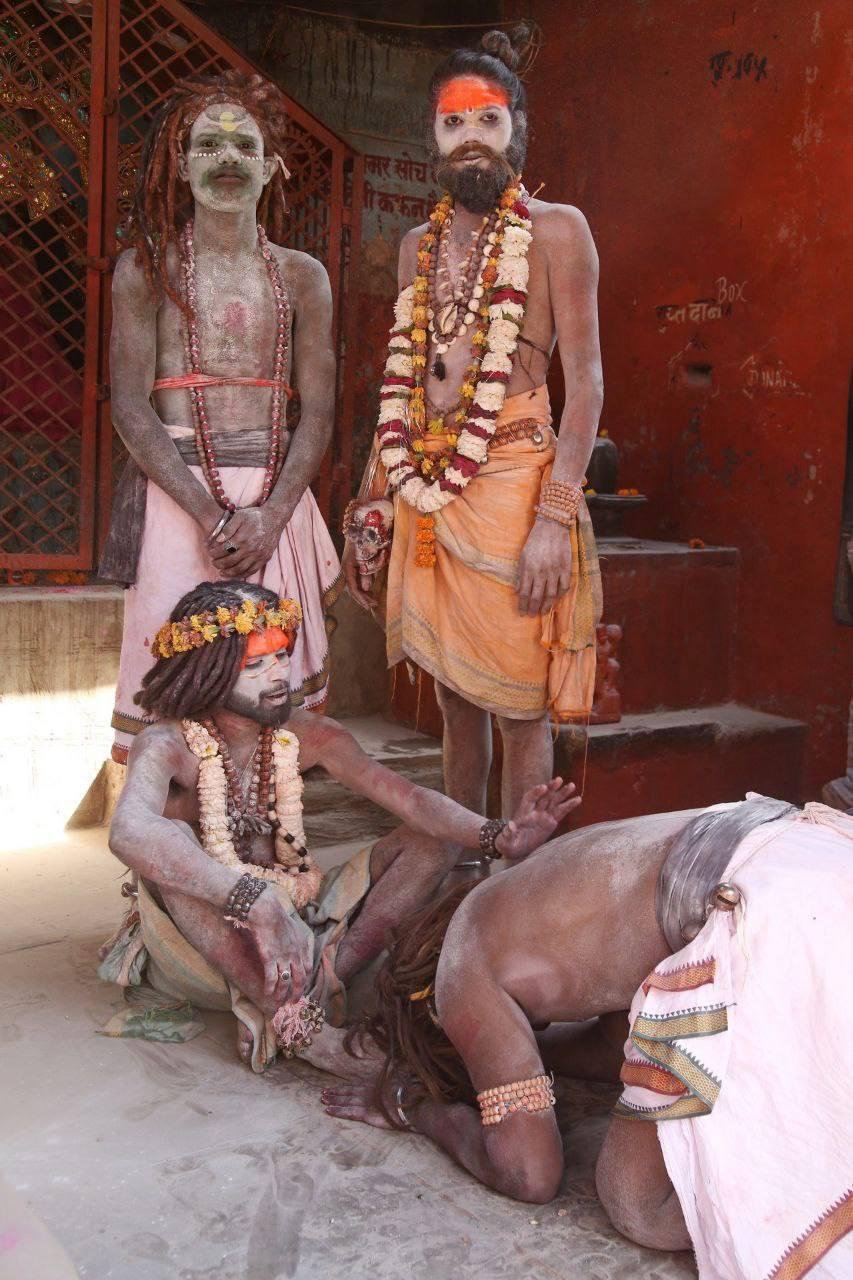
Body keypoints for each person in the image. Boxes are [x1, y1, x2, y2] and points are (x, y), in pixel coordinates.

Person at [324, 798, 853, 1279]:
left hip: (762, 916)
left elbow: (529, 1174)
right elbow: (612, 1051)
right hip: (817, 852)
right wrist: (531, 1065)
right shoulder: (535, 889)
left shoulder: (460, 971)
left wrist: (417, 1109)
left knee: (635, 1202)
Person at [100, 578, 580, 1074]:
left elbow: (411, 800)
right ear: (209, 672)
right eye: (255, 664)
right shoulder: (166, 743)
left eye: (281, 657)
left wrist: (496, 834)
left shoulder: (309, 735)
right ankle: (298, 1026)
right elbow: (128, 831)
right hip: (200, 947)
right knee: (167, 843)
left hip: (296, 929)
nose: (278, 674)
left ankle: (324, 983)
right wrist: (255, 902)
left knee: (434, 841)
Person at [344, 26, 603, 856]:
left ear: (514, 129)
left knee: (519, 704)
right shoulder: (416, 247)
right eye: (452, 123)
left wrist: (552, 520)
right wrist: (372, 499)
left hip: (515, 483)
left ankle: (516, 888)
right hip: (423, 482)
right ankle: (463, 863)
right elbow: (404, 381)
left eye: (485, 121)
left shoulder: (558, 230)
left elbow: (588, 386)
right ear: (432, 136)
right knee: (455, 701)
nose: (469, 139)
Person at [100, 71, 341, 763]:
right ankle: (180, 860)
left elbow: (318, 411)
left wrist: (268, 516)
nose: (228, 160)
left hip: (272, 505)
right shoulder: (144, 269)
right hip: (180, 502)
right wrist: (210, 516)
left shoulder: (303, 276)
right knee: (177, 689)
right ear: (183, 165)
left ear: (270, 166)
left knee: (268, 692)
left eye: (244, 147)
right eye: (210, 145)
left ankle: (262, 846)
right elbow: (129, 404)